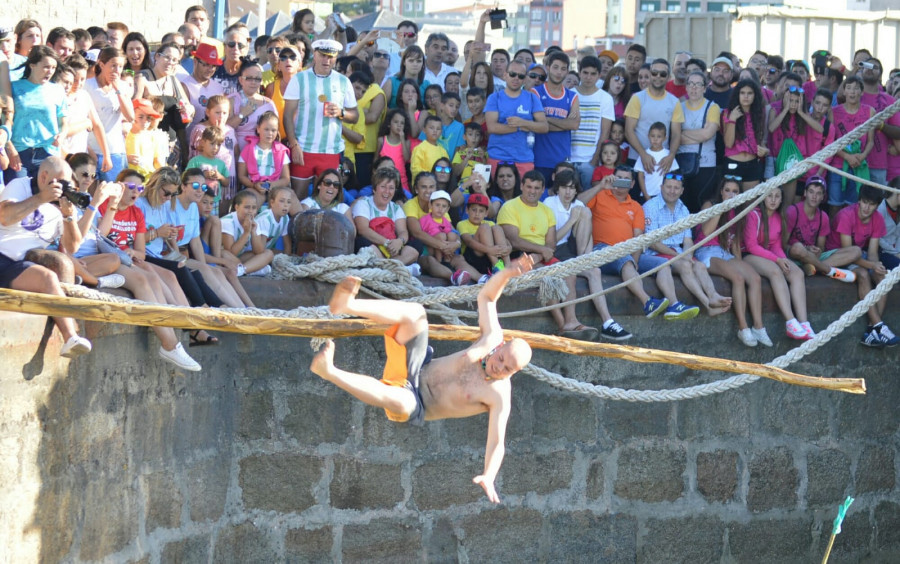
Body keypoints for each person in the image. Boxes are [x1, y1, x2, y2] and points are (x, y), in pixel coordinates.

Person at [312, 252, 534, 502]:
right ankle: (347, 306)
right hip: (414, 366)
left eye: (507, 369)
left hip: (415, 400)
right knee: (417, 313)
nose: (499, 367)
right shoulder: (491, 338)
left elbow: (496, 442)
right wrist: (507, 273)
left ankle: (329, 371)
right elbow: (488, 297)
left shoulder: (499, 395)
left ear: (515, 373)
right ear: (501, 347)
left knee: (403, 402)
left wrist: (489, 475)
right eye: (501, 359)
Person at [0, 156, 92, 358]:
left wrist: (68, 217)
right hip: (3, 256)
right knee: (49, 278)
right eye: (62, 183)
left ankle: (70, 339)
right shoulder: (21, 185)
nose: (64, 189)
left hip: (24, 264)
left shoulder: (61, 205)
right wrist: (42, 197)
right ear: (44, 177)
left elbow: (73, 246)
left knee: (50, 276)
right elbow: (5, 217)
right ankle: (70, 336)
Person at [499, 170, 598, 339]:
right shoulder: (509, 206)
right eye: (529, 186)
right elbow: (514, 240)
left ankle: (571, 321)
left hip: (543, 254)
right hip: (517, 256)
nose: (532, 191)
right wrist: (539, 252)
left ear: (543, 189)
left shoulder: (546, 210)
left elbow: (551, 243)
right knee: (549, 279)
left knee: (569, 274)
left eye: (537, 188)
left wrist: (540, 254)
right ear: (521, 186)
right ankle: (563, 326)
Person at [544, 169, 632, 340]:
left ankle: (608, 322)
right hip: (555, 252)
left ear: (576, 190)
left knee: (595, 270)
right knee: (582, 213)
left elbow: (588, 233)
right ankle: (583, 261)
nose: (568, 192)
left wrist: (588, 256)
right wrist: (571, 221)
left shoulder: (577, 205)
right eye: (564, 188)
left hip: (574, 252)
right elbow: (551, 243)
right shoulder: (549, 203)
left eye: (571, 188)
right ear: (558, 189)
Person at [577, 166, 669, 318]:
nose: (622, 182)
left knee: (663, 264)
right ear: (613, 178)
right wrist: (600, 186)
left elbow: (638, 238)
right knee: (626, 261)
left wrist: (635, 260)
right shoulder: (600, 195)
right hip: (601, 250)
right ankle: (647, 302)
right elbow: (576, 205)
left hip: (628, 252)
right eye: (619, 178)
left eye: (626, 180)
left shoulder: (636, 207)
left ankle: (673, 305)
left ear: (632, 184)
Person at [642, 173, 729, 317]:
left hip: (677, 252)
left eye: (676, 188)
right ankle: (708, 304)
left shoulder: (683, 208)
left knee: (699, 265)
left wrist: (687, 255)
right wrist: (681, 257)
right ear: (661, 187)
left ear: (682, 191)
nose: (672, 191)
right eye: (669, 187)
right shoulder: (650, 206)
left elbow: (688, 240)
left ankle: (713, 295)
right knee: (685, 265)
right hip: (657, 254)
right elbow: (653, 243)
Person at [696, 176, 770, 347]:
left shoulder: (739, 211)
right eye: (727, 190)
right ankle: (743, 328)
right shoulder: (710, 205)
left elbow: (735, 243)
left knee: (754, 278)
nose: (731, 194)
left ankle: (759, 326)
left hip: (724, 252)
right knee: (737, 278)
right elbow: (706, 232)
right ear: (721, 192)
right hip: (706, 250)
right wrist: (722, 208)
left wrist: (739, 263)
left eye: (735, 191)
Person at [283, 39, 359, 202]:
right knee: (298, 198)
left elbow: (355, 116)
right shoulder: (299, 79)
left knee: (328, 200)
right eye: (323, 55)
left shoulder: (343, 81)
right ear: (315, 56)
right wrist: (294, 144)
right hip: (303, 149)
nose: (327, 60)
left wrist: (341, 113)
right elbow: (287, 115)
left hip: (330, 151)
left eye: (331, 57)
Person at [824, 185, 897, 348]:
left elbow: (872, 253)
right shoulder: (846, 215)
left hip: (858, 257)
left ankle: (871, 331)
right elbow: (849, 252)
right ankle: (880, 326)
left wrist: (876, 267)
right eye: (864, 202)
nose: (866, 207)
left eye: (871, 204)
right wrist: (871, 265)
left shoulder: (877, 218)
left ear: (877, 206)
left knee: (883, 278)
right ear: (859, 201)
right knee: (863, 273)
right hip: (836, 257)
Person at [742, 188, 814, 341]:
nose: (773, 200)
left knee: (797, 273)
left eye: (777, 196)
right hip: (749, 256)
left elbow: (775, 245)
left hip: (769, 255)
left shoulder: (778, 217)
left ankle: (804, 322)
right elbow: (751, 246)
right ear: (763, 198)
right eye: (769, 196)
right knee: (775, 271)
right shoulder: (753, 215)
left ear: (782, 199)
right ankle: (790, 321)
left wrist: (784, 260)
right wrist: (777, 260)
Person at [6, 45, 67, 183]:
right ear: (32, 65)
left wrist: (62, 135)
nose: (50, 71)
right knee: (17, 198)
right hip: (19, 152)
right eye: (46, 67)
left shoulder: (57, 90)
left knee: (48, 199)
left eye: (53, 67)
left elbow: (63, 122)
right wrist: (10, 149)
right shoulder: (13, 87)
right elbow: (4, 121)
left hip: (48, 153)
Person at [624, 58, 683, 200]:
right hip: (637, 160)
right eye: (654, 73)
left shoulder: (674, 101)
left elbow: (676, 134)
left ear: (668, 77)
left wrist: (671, 156)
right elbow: (628, 130)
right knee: (636, 204)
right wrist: (643, 155)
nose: (658, 77)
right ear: (649, 74)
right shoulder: (637, 98)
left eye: (662, 74)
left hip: (663, 164)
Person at [785, 177, 858, 281]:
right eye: (811, 192)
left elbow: (821, 247)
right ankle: (829, 271)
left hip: (812, 257)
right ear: (805, 193)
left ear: (823, 197)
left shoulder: (823, 217)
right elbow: (783, 244)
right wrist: (806, 249)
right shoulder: (793, 211)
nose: (814, 196)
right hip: (794, 254)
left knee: (856, 251)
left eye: (819, 193)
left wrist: (817, 250)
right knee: (798, 248)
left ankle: (814, 267)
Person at [485, 61, 548, 178]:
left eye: (521, 76)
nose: (516, 78)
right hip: (497, 157)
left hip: (524, 159)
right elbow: (492, 127)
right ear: (505, 75)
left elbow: (544, 127)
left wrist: (523, 122)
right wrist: (520, 127)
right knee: (496, 196)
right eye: (512, 74)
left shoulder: (532, 98)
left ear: (525, 79)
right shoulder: (494, 98)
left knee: (524, 196)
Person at [351, 167, 419, 272]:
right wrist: (387, 243)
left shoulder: (396, 208)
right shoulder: (363, 203)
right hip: (374, 247)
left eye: (391, 188)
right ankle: (398, 268)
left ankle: (388, 268)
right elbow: (363, 230)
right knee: (361, 243)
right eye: (383, 187)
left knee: (417, 244)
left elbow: (403, 231)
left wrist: (399, 241)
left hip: (393, 250)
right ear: (374, 189)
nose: (387, 191)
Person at [85, 47, 134, 181]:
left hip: (115, 149)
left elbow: (130, 116)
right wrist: (88, 149)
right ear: (101, 64)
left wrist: (118, 90)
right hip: (91, 148)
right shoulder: (87, 85)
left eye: (120, 66)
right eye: (113, 66)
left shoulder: (123, 86)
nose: (117, 70)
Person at [829, 76, 875, 215]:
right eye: (848, 88)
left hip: (859, 166)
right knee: (834, 207)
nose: (852, 92)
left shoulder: (870, 111)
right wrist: (847, 157)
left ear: (862, 92)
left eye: (856, 88)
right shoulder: (834, 112)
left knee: (854, 208)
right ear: (844, 92)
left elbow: (870, 141)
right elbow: (830, 141)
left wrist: (862, 156)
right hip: (838, 167)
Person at [532, 51, 580, 184]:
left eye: (563, 69)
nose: (559, 72)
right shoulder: (536, 92)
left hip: (562, 161)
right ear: (547, 67)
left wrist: (546, 119)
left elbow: (574, 124)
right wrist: (565, 123)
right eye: (555, 67)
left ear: (567, 71)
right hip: (540, 159)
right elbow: (535, 123)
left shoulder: (572, 96)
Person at [677, 71, 720, 213]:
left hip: (705, 164)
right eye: (691, 84)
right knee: (683, 205)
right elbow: (674, 137)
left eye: (698, 84)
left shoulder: (712, 107)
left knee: (700, 205)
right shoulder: (679, 107)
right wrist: (697, 135)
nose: (694, 88)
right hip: (682, 163)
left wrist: (683, 135)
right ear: (686, 87)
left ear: (705, 88)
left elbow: (707, 134)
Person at [571, 55, 614, 190]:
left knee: (589, 201)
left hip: (590, 160)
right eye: (585, 73)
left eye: (593, 74)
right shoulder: (570, 94)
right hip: (568, 159)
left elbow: (605, 132)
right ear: (579, 72)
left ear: (599, 75)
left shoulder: (605, 98)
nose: (588, 77)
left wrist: (595, 160)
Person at [722, 78, 768, 192]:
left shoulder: (759, 113)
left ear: (755, 95)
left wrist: (765, 151)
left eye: (749, 93)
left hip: (752, 164)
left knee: (750, 204)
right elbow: (728, 143)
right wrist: (732, 120)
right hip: (733, 163)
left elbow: (761, 140)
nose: (745, 96)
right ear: (737, 94)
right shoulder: (728, 112)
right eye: (742, 93)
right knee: (731, 203)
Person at [227, 59, 278, 155]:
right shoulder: (231, 100)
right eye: (249, 78)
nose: (253, 82)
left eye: (257, 79)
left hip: (260, 152)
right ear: (241, 80)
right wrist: (242, 114)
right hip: (235, 149)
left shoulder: (268, 104)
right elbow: (224, 127)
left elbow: (275, 131)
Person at [237, 111, 291, 200]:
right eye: (266, 129)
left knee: (291, 195)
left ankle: (303, 214)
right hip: (253, 188)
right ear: (258, 129)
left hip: (275, 189)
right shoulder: (248, 150)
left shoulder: (281, 151)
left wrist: (271, 185)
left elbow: (286, 179)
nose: (270, 133)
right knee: (253, 199)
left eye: (273, 130)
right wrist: (254, 185)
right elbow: (242, 176)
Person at [221, 190, 275, 276]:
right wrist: (246, 233)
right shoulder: (227, 222)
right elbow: (231, 252)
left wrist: (253, 232)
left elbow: (259, 251)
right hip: (228, 258)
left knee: (268, 253)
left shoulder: (254, 222)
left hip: (241, 259)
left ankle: (242, 271)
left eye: (254, 208)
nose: (250, 211)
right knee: (223, 253)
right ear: (237, 207)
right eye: (247, 207)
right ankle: (251, 270)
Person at [634, 122, 680, 202]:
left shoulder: (668, 156)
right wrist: (646, 195)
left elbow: (673, 177)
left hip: (664, 196)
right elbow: (640, 176)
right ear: (648, 136)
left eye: (659, 136)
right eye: (652, 136)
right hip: (647, 194)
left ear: (665, 138)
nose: (655, 139)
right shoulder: (644, 155)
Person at [411, 115, 449, 180]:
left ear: (441, 132)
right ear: (424, 129)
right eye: (431, 128)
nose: (435, 131)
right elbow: (415, 170)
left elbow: (447, 169)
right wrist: (431, 177)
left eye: (438, 129)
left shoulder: (443, 151)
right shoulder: (420, 148)